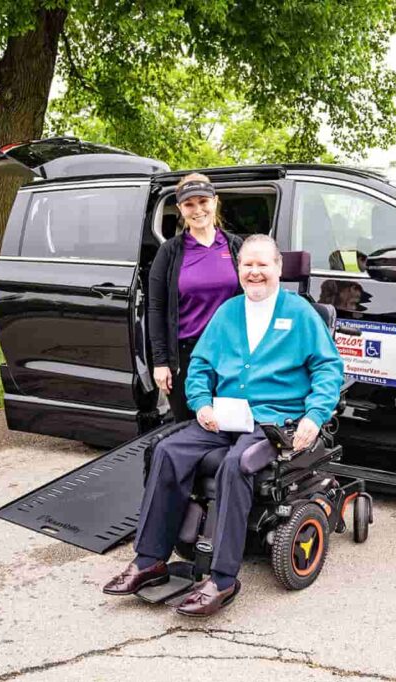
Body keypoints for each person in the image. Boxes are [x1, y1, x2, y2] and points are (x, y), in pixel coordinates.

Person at [103, 235, 345, 617]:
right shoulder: (228, 312)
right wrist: (200, 404)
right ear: (239, 270)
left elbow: (329, 369)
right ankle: (150, 559)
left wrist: (314, 416)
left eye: (263, 264)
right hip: (225, 416)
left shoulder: (299, 313)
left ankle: (222, 579)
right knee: (167, 450)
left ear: (278, 268)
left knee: (238, 463)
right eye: (247, 264)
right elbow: (199, 366)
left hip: (273, 422)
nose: (254, 272)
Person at [148, 173, 245, 421]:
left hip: (231, 354)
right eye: (189, 204)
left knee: (229, 427)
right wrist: (161, 363)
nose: (197, 209)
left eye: (203, 201)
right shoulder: (170, 252)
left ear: (215, 202)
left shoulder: (235, 246)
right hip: (186, 356)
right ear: (180, 208)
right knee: (190, 430)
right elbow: (156, 309)